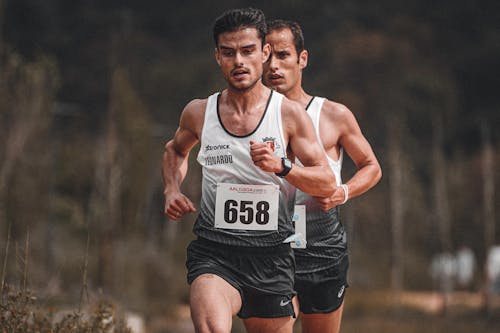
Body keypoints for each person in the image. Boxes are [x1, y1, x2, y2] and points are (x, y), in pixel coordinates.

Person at [162, 8, 338, 333]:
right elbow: (174, 149)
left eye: (247, 51)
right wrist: (172, 188)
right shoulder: (199, 113)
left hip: (271, 257)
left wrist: (283, 167)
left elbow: (327, 181)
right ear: (217, 56)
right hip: (215, 252)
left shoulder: (288, 115)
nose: (238, 61)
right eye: (228, 53)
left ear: (264, 53)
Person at [263, 20, 382, 333]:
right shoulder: (249, 117)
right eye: (267, 56)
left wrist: (342, 191)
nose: (274, 65)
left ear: (302, 59)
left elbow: (371, 166)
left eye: (283, 55)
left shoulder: (333, 115)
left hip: (321, 248)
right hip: (269, 250)